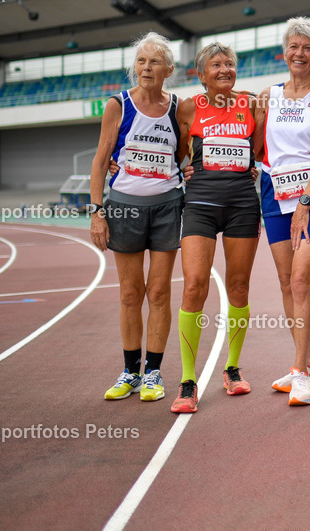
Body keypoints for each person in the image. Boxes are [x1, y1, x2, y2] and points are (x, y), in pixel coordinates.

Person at [90, 32, 184, 403]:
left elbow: (191, 152)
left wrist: (191, 168)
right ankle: (130, 371)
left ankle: (154, 373)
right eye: (141, 61)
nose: (146, 67)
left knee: (159, 291)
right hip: (124, 207)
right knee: (131, 292)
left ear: (169, 69)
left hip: (167, 207)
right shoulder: (118, 105)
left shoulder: (180, 108)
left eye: (154, 62)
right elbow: (100, 161)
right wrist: (97, 212)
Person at [171, 42, 263, 413]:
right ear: (200, 73)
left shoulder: (252, 104)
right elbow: (176, 152)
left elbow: (257, 152)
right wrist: (184, 168)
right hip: (200, 205)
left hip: (242, 203)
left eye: (230, 64)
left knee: (239, 285)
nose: (224, 70)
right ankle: (188, 381)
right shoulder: (188, 107)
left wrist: (253, 167)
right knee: (194, 285)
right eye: (216, 65)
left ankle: (232, 369)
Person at [261, 17, 310, 406]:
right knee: (283, 279)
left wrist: (306, 202)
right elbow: (246, 141)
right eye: (294, 46)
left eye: (308, 48)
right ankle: (309, 364)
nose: (300, 54)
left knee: (300, 279)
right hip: (274, 195)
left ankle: (298, 373)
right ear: (284, 51)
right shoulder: (268, 95)